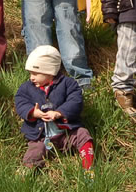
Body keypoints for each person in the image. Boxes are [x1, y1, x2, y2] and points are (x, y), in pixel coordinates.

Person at [14, 46, 95, 175]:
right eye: (30, 73)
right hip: (40, 136)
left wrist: (59, 112)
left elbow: (75, 101)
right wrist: (33, 112)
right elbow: (20, 102)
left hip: (66, 133)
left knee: (82, 134)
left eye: (35, 73)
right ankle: (27, 172)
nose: (31, 78)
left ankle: (88, 167)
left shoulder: (68, 84)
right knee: (35, 150)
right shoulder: (26, 88)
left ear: (50, 72)